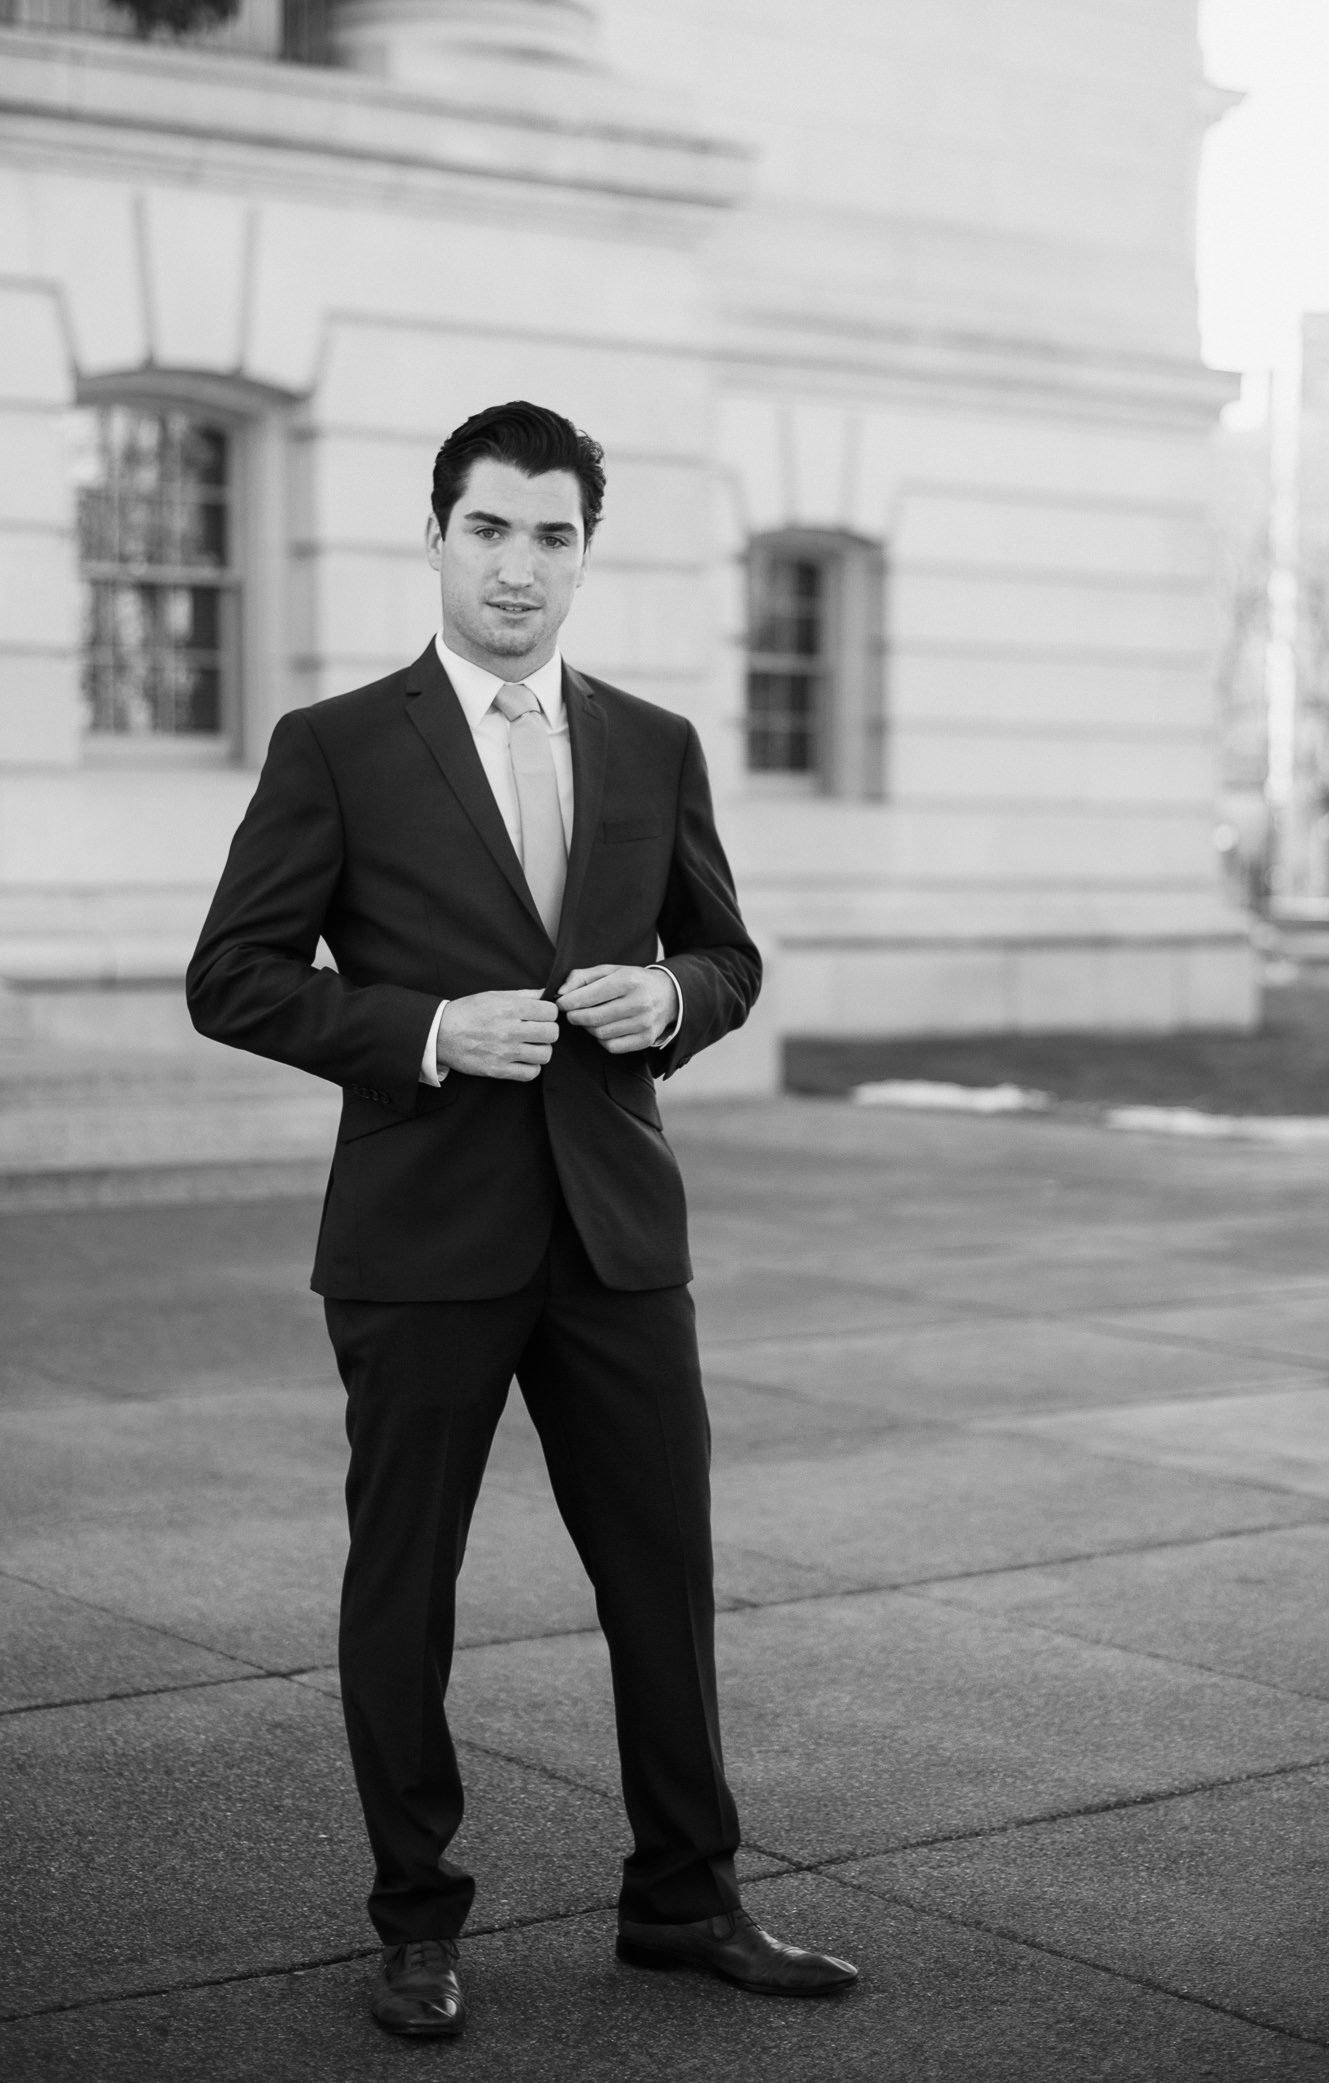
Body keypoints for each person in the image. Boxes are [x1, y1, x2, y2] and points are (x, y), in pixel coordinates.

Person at [187, 401, 857, 2038]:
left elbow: (732, 958)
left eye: (551, 536)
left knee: (664, 1580)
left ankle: (686, 1899)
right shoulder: (336, 745)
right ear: (436, 537)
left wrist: (672, 996)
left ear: (582, 556)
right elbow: (235, 978)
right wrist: (421, 1031)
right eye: (489, 529)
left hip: (616, 1233)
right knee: (404, 1591)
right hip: (421, 1238)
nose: (518, 566)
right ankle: (417, 1924)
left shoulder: (653, 743)